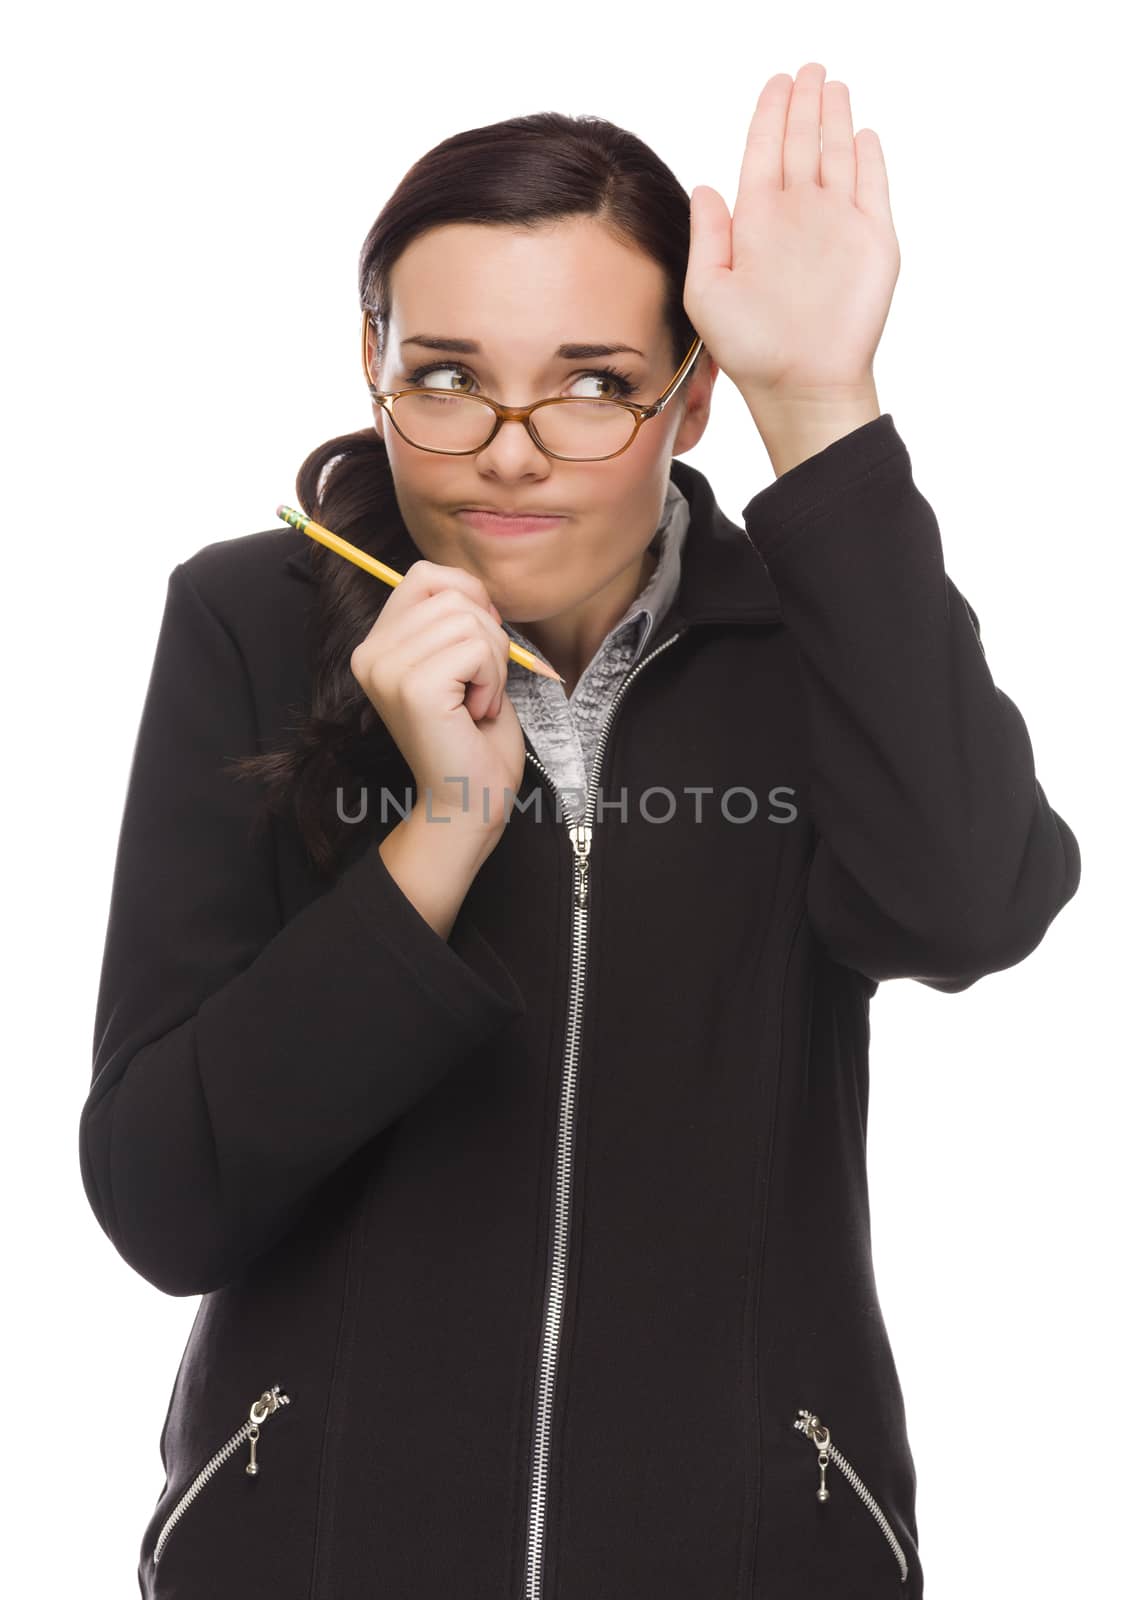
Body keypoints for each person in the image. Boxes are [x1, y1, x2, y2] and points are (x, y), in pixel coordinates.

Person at [79, 66, 1081, 1600]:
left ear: (689, 397)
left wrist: (818, 414)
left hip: (749, 1554)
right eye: (446, 374)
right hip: (318, 1552)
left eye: (596, 381)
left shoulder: (821, 631)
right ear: (374, 366)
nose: (508, 446)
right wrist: (446, 829)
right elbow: (166, 1196)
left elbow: (965, 910)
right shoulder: (249, 621)